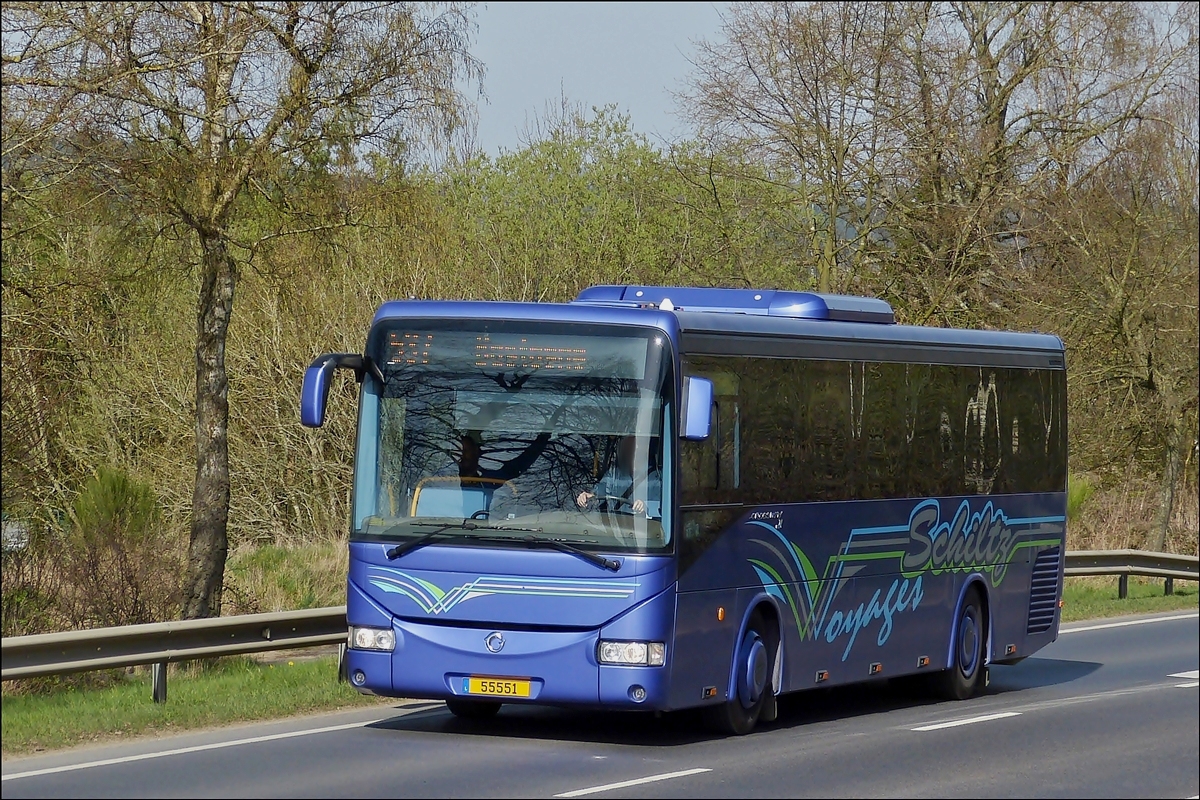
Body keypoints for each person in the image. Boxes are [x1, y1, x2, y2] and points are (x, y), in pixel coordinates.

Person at [576, 435, 661, 515]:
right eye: (628, 451)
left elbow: (662, 505)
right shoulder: (614, 474)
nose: (631, 454)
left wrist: (645, 505)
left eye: (634, 450)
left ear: (644, 451)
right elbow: (601, 490)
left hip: (645, 524)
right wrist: (588, 497)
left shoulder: (657, 477)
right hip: (616, 523)